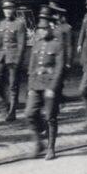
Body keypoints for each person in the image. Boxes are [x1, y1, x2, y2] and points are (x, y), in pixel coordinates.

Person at [25, 13, 64, 160]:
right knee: (29, 113)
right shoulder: (37, 45)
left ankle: (51, 148)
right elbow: (31, 68)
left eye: (45, 29)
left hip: (49, 85)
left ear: (50, 29)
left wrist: (52, 88)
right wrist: (30, 88)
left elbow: (59, 69)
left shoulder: (57, 45)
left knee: (50, 117)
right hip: (36, 84)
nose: (42, 31)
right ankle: (38, 143)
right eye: (40, 29)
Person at [0, 0, 26, 122]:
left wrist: (18, 60)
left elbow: (21, 45)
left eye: (10, 8)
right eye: (5, 8)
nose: (7, 11)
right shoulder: (2, 23)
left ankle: (12, 111)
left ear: (14, 9)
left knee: (12, 85)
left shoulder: (19, 24)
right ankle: (5, 103)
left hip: (13, 58)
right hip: (2, 57)